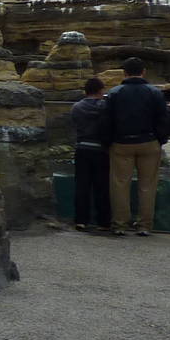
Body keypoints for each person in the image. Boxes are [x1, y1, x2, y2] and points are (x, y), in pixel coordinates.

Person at [103, 57, 170, 236]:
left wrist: (108, 141)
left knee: (119, 184)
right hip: (149, 142)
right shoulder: (154, 93)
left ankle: (120, 224)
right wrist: (160, 139)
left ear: (124, 73)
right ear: (144, 72)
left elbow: (106, 121)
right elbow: (163, 119)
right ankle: (144, 225)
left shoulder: (114, 93)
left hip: (121, 143)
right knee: (147, 185)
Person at [69, 77, 111, 231]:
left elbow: (74, 125)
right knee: (102, 186)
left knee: (82, 186)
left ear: (85, 91)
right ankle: (104, 221)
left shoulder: (77, 107)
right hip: (101, 150)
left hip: (82, 148)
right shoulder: (106, 107)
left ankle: (81, 220)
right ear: (100, 90)